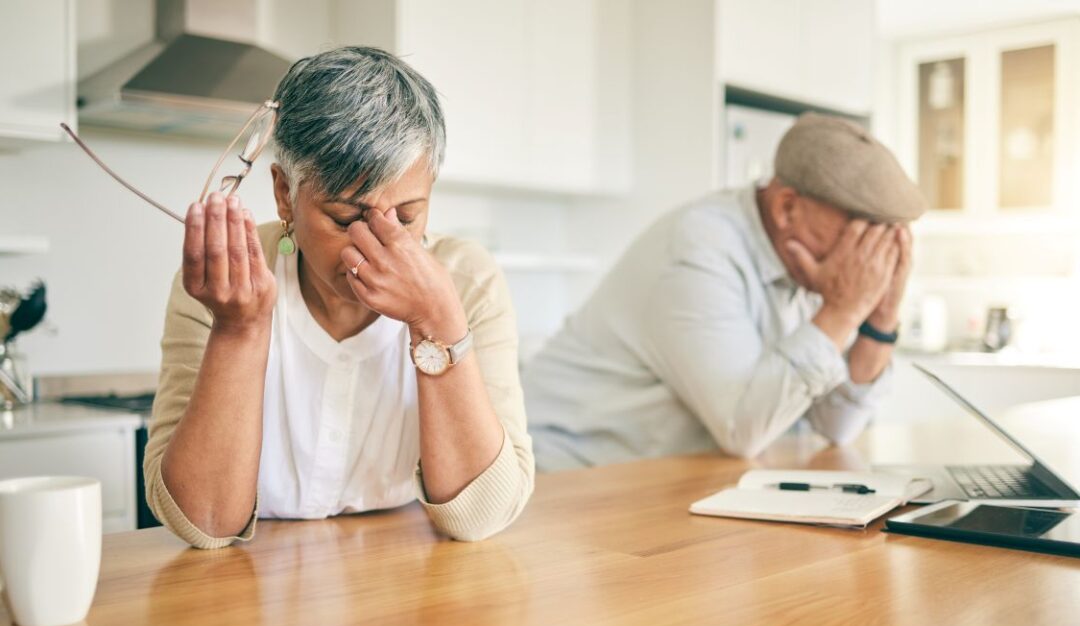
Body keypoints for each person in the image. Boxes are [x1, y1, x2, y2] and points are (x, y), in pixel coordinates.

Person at [144, 47, 534, 549]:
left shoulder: (468, 281)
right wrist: (237, 330)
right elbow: (204, 521)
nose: (379, 246)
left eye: (409, 217)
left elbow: (483, 516)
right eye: (347, 219)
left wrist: (439, 321)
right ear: (286, 194)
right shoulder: (225, 282)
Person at [523, 113, 926, 470]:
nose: (867, 258)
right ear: (787, 207)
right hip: (567, 481)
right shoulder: (700, 246)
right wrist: (843, 311)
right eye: (858, 233)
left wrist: (880, 321)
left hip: (660, 481)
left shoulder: (810, 267)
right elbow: (743, 429)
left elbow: (837, 427)